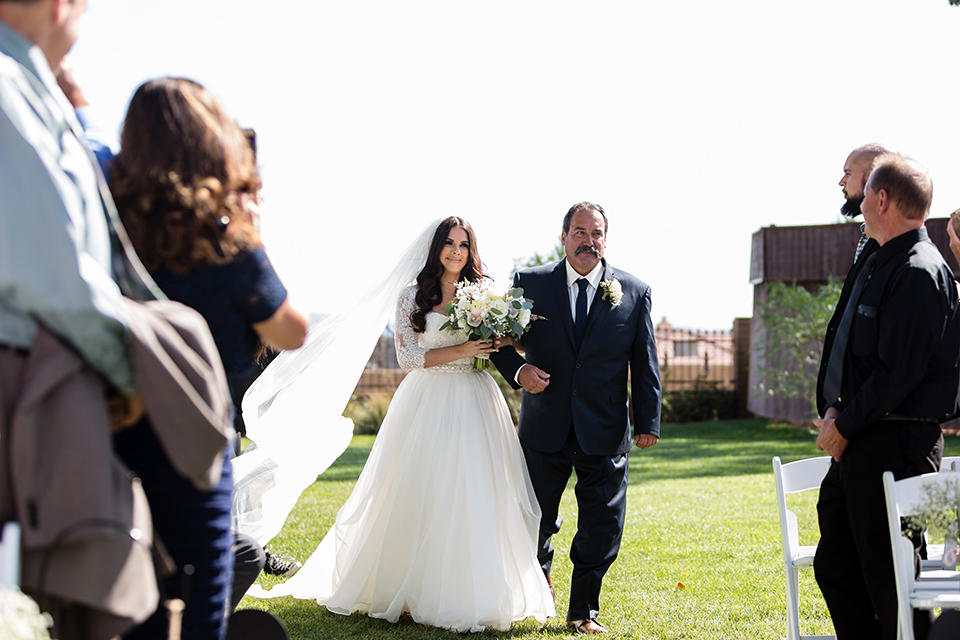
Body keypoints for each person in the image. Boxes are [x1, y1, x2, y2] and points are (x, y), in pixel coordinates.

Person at [251, 216, 555, 633]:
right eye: (448, 243)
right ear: (435, 248)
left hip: (477, 398)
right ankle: (409, 586)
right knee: (421, 489)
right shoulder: (412, 295)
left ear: (471, 250)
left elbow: (501, 345)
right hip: (427, 399)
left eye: (463, 245)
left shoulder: (485, 295)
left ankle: (472, 591)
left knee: (476, 491)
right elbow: (408, 358)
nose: (455, 251)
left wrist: (509, 348)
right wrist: (464, 347)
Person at [108, 76, 309, 636]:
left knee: (126, 599)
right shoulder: (221, 238)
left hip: (112, 436)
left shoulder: (110, 227)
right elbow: (291, 330)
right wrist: (251, 229)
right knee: (196, 606)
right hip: (194, 445)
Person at [0, 1, 161, 637]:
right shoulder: (9, 92)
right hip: (27, 383)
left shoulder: (26, 84)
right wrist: (137, 375)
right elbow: (62, 278)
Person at [491, 201, 662, 634]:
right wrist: (519, 371)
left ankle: (583, 611)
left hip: (604, 430)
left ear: (606, 238)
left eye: (597, 233)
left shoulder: (634, 291)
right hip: (544, 426)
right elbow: (502, 343)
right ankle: (536, 590)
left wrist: (647, 422)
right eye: (580, 232)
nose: (589, 241)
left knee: (602, 526)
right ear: (563, 236)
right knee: (535, 519)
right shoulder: (529, 283)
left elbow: (645, 364)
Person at [812, 153, 960, 640]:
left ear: (881, 199)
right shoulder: (880, 260)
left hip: (896, 446)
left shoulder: (919, 270)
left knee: (892, 580)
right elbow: (856, 354)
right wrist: (835, 406)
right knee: (836, 564)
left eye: (864, 190)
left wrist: (843, 425)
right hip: (859, 440)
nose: (854, 199)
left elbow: (898, 374)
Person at [839, 143, 890, 262]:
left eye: (848, 173)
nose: (842, 182)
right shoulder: (869, 235)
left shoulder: (891, 245)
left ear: (872, 177)